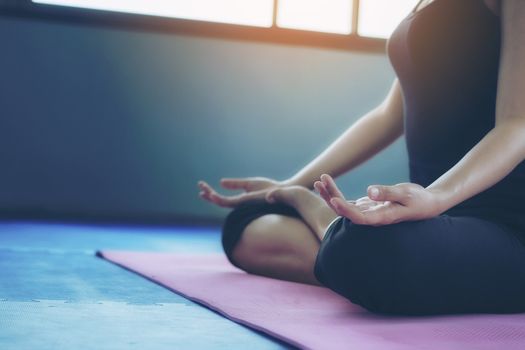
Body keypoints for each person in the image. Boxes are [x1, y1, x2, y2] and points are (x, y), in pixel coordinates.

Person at [198, 0, 525, 316]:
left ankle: (330, 227)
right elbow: (387, 116)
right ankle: (350, 250)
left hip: (506, 226)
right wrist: (288, 185)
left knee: (364, 249)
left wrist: (435, 196)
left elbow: (517, 124)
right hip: (427, 224)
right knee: (245, 223)